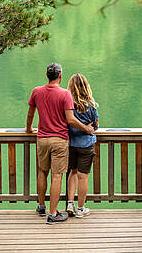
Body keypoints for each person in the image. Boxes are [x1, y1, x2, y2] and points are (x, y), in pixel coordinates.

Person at [26, 62, 95, 224]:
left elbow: (30, 113)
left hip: (42, 138)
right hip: (60, 140)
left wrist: (29, 129)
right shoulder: (65, 94)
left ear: (47, 75)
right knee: (57, 176)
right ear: (60, 76)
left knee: (42, 171)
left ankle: (41, 206)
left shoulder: (37, 91)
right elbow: (71, 120)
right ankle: (53, 213)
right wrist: (87, 128)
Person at [66, 73, 99, 218]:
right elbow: (96, 125)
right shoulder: (91, 105)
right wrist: (89, 127)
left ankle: (70, 203)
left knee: (72, 172)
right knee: (83, 176)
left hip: (71, 143)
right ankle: (80, 209)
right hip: (86, 144)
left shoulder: (68, 105)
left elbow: (66, 122)